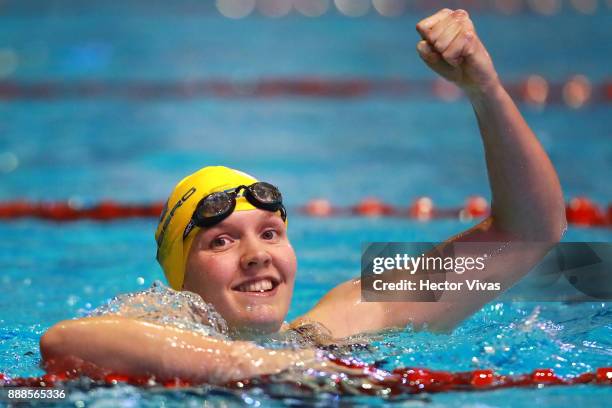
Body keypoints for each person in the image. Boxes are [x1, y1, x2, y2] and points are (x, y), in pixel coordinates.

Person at [40, 9, 566, 385]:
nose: (257, 255)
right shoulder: (153, 322)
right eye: (221, 242)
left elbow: (529, 234)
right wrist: (271, 368)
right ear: (182, 276)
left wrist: (486, 90)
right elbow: (64, 342)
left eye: (271, 232)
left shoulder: (334, 325)